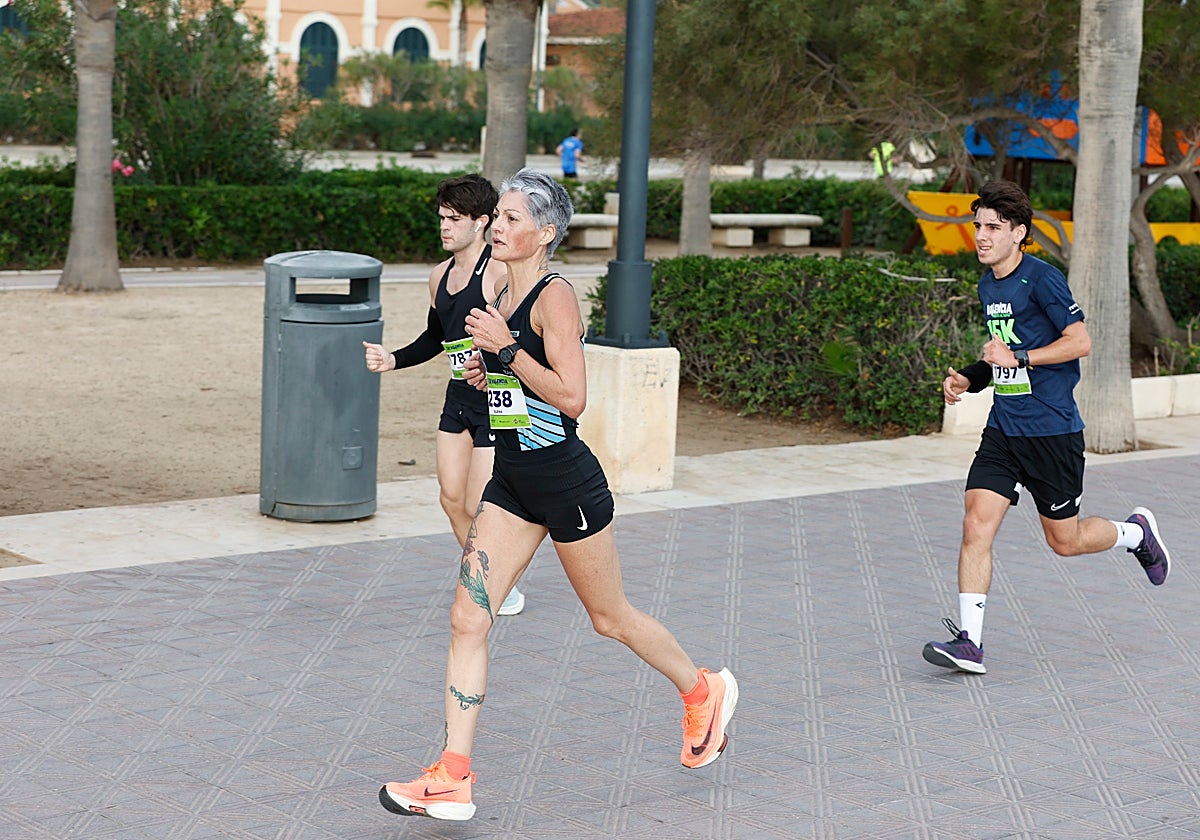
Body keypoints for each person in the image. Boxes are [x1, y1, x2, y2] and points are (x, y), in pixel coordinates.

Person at [378, 168, 738, 822]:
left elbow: (572, 398)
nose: (499, 226)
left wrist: (508, 351)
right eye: (499, 217)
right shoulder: (500, 298)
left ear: (545, 233)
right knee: (467, 618)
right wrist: (492, 374)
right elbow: (520, 394)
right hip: (514, 480)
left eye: (513, 218)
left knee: (610, 619)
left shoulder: (553, 296)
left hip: (566, 483)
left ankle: (702, 689)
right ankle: (452, 777)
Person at [923, 179, 1171, 676]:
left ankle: (1134, 533)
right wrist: (969, 379)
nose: (982, 235)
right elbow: (1001, 354)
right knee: (976, 524)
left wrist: (1018, 357)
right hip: (1004, 431)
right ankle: (970, 642)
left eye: (993, 227)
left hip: (1052, 432)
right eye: (977, 226)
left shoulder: (1042, 279)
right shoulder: (987, 282)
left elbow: (1079, 342)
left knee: (1066, 540)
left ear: (1019, 232)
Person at [362, 174, 526, 616]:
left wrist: (495, 369)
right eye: (441, 218)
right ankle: (497, 579)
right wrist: (391, 358)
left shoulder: (498, 274)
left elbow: (522, 340)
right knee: (451, 499)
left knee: (480, 503)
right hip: (458, 400)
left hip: (497, 400)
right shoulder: (439, 275)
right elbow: (436, 337)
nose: (444, 227)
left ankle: (495, 579)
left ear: (481, 222)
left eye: (454, 219)